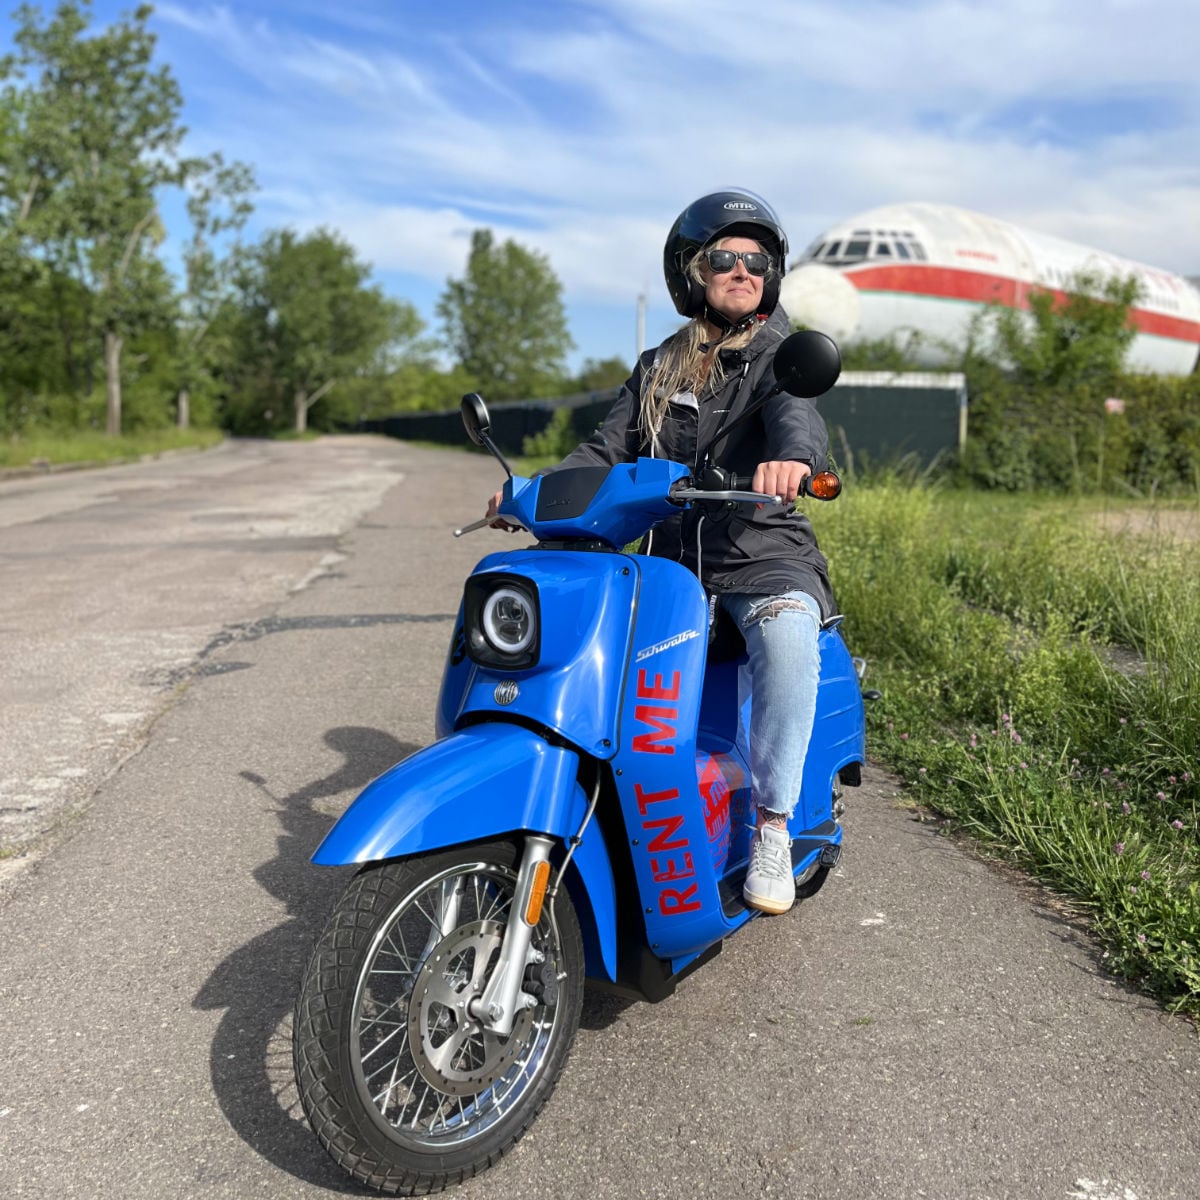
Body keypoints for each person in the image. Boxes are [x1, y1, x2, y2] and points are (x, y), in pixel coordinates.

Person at [486, 188, 835, 915]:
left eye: (758, 260)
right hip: (670, 564)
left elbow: (797, 420)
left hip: (761, 551)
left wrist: (791, 463)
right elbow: (605, 450)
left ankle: (771, 823)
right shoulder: (657, 366)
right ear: (691, 270)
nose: (743, 270)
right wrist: (530, 490)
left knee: (789, 633)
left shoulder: (779, 356)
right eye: (724, 258)